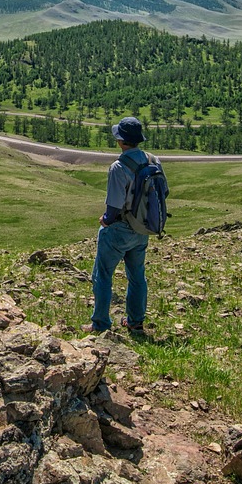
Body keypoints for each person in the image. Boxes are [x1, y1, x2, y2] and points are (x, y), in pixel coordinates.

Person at [85, 116, 151, 335]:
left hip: (119, 229)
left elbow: (113, 205)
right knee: (137, 275)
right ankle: (135, 322)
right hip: (142, 228)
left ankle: (101, 324)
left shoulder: (118, 167)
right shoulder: (152, 160)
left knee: (103, 275)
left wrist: (106, 220)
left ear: (122, 141)